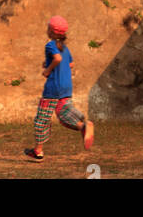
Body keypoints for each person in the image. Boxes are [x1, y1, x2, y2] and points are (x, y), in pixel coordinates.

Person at [25, 15, 94, 161]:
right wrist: (49, 64)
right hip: (66, 87)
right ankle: (83, 126)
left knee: (41, 119)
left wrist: (48, 70)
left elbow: (57, 59)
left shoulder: (50, 44)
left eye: (48, 27)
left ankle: (38, 151)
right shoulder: (65, 48)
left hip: (53, 88)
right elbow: (70, 64)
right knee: (64, 113)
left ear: (51, 31)